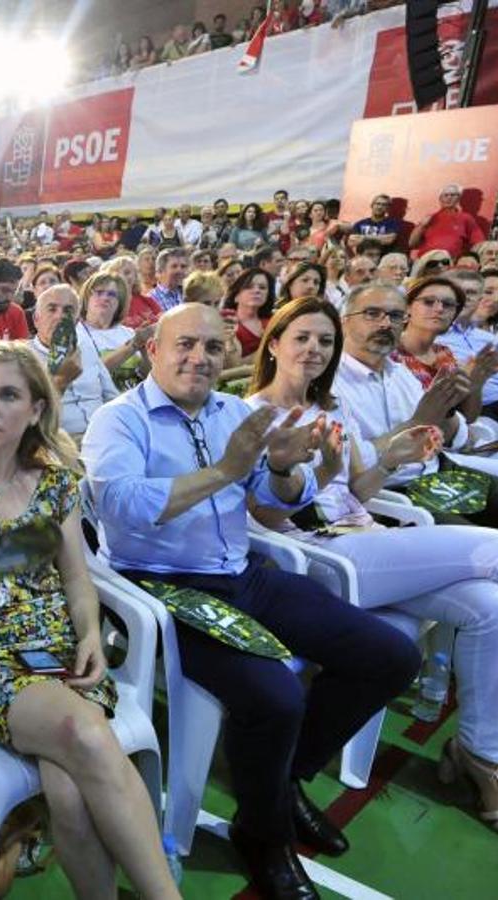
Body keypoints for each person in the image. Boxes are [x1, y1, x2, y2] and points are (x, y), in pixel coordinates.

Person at [82, 303, 420, 900]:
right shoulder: (119, 420)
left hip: (243, 571)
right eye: (185, 344)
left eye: (213, 348)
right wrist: (225, 470)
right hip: (163, 588)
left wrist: (287, 469)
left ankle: (284, 780)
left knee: (390, 655)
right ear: (153, 350)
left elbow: (276, 496)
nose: (199, 358)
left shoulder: (235, 412)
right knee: (276, 695)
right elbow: (123, 506)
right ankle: (263, 833)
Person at [247, 296, 498, 841]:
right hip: (316, 556)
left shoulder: (331, 407)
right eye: (302, 338)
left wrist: (389, 459)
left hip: (363, 538)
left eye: (324, 341)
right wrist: (306, 471)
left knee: (496, 607)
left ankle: (482, 754)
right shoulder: (255, 414)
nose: (315, 349)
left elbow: (359, 492)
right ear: (274, 344)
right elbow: (265, 516)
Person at [0, 340, 181, 898]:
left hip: (54, 648)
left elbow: (78, 578)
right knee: (82, 731)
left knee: (70, 794)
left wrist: (93, 635)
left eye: (7, 395)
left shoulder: (54, 486)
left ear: (36, 411)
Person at [332, 283, 498, 591]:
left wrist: (458, 398)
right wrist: (416, 422)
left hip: (444, 471)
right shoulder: (330, 383)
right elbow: (350, 468)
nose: (385, 323)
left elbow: (457, 436)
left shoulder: (398, 372)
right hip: (395, 491)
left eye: (396, 316)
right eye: (372, 314)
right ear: (344, 320)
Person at [398, 277, 498, 457]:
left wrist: (476, 383)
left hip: (466, 433)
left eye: (449, 304)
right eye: (429, 302)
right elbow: (420, 424)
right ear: (408, 307)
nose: (439, 309)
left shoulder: (444, 352)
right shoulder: (393, 356)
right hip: (431, 450)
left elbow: (467, 415)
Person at [28, 285, 118, 441]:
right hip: (58, 441)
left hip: (103, 435)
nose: (60, 316)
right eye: (52, 309)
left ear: (76, 321)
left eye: (68, 311)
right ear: (36, 319)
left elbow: (112, 396)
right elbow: (27, 417)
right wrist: (60, 381)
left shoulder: (87, 349)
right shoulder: (24, 358)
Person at [80, 271, 148, 377]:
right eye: (99, 292)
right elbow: (91, 373)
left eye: (112, 294)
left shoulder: (129, 333)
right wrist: (133, 345)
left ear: (120, 302)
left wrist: (144, 349)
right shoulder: (75, 334)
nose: (105, 298)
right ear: (87, 297)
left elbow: (148, 376)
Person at [409, 183, 486, 261]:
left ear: (459, 198)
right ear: (440, 199)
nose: (449, 198)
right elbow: (412, 243)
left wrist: (469, 259)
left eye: (453, 195)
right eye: (445, 195)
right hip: (427, 262)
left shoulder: (466, 218)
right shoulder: (430, 218)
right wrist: (422, 226)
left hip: (451, 263)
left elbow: (479, 243)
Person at [223, 268, 277, 363]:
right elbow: (234, 364)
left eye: (262, 287)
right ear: (236, 296)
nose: (256, 291)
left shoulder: (274, 322)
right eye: (249, 287)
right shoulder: (225, 322)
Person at [0, 258, 30, 341]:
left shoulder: (16, 312)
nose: (10, 297)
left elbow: (24, 351)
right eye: (5, 290)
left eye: (13, 292)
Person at [148, 248, 190, 312]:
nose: (179, 270)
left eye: (183, 266)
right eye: (174, 266)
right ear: (160, 271)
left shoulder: (190, 295)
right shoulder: (151, 299)